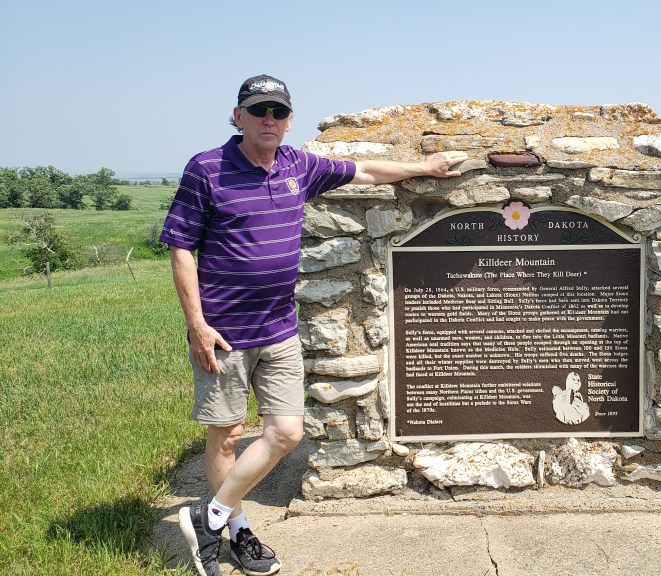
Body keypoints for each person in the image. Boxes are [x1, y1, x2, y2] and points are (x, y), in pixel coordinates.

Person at [160, 74, 467, 576]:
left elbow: (364, 171)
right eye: (259, 110)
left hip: (278, 328)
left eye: (278, 112)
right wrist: (196, 322)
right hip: (223, 332)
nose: (269, 120)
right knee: (229, 433)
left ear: (289, 120)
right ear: (237, 116)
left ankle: (209, 517)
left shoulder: (297, 165)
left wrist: (425, 167)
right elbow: (180, 247)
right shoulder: (207, 169)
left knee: (285, 432)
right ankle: (235, 531)